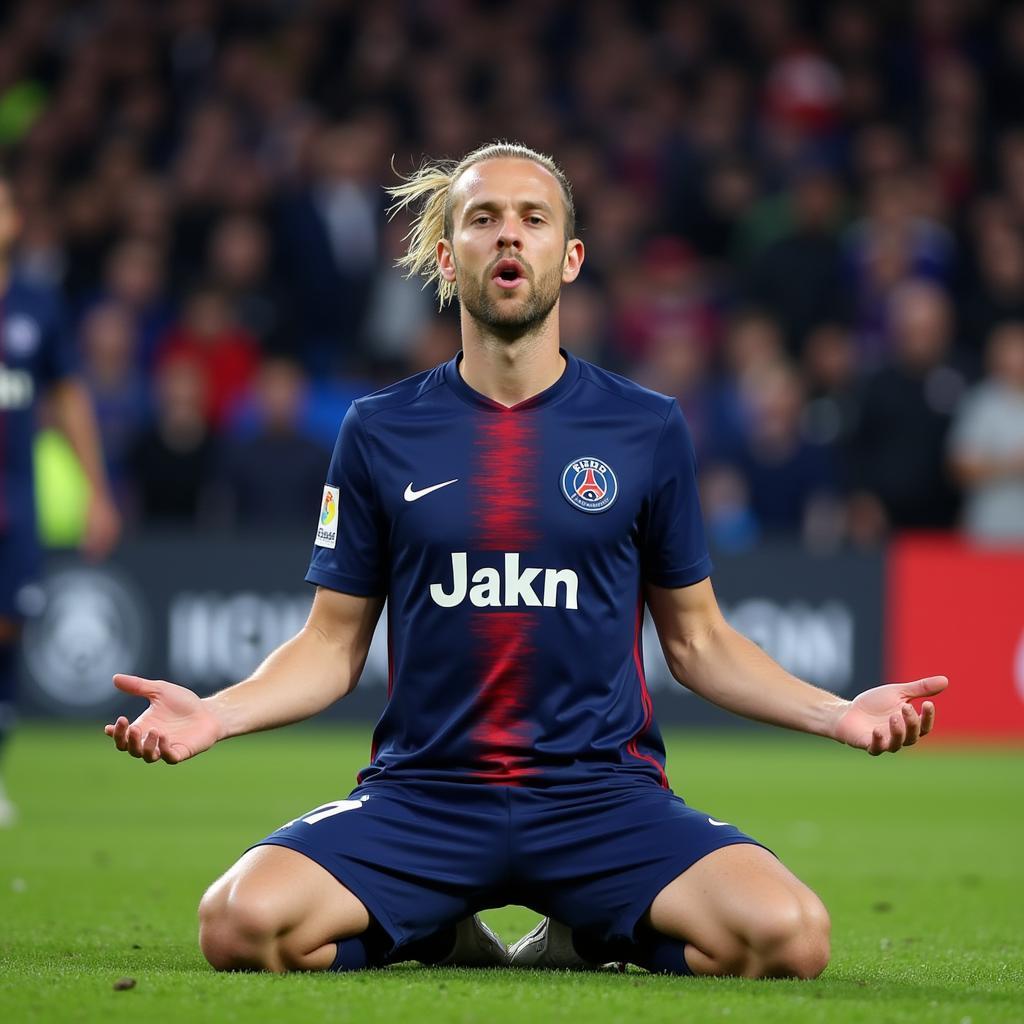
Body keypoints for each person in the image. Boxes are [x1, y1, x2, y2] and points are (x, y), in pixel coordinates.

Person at [105, 142, 947, 978]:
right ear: (447, 255)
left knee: (792, 935)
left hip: (600, 799)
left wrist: (836, 713)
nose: (510, 236)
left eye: (533, 218)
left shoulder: (647, 427)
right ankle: (435, 930)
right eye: (484, 219)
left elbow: (699, 643)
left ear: (570, 256)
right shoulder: (378, 429)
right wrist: (217, 714)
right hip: (426, 797)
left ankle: (588, 931)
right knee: (238, 924)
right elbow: (329, 648)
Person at [0, 171, 121, 825]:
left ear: (15, 220)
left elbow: (69, 398)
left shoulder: (36, 305)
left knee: (9, 628)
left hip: (14, 499)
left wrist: (98, 491)